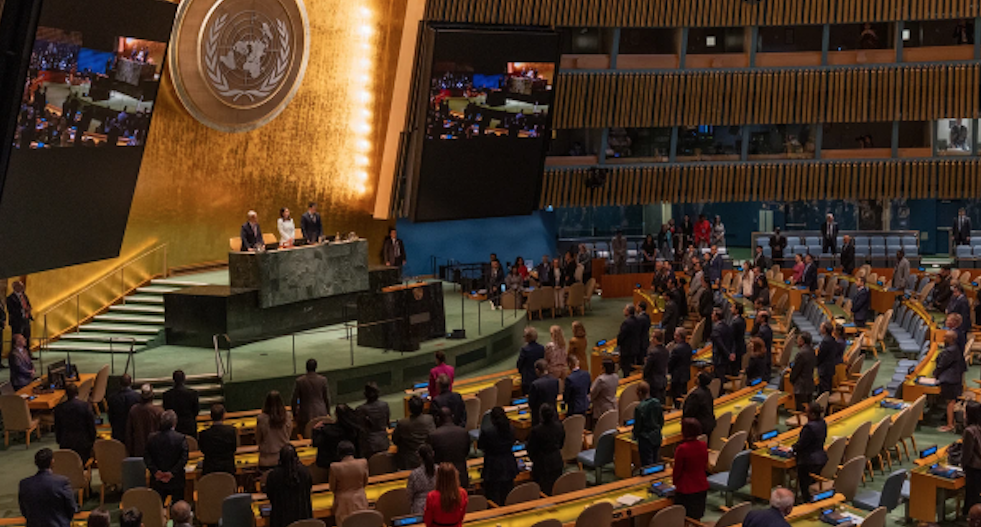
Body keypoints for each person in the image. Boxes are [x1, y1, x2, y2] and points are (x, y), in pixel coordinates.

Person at [18, 448, 77, 527]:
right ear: (52, 462)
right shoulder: (62, 482)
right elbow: (71, 508)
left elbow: (24, 510)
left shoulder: (24, 484)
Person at [478, 407, 519, 506]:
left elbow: (480, 446)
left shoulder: (488, 432)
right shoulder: (511, 429)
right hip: (509, 464)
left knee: (493, 497)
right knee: (508, 495)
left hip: (493, 466)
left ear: (492, 419)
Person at [145, 410, 189, 503]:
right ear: (174, 423)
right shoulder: (180, 438)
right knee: (178, 509)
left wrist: (156, 472)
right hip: (176, 480)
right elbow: (184, 459)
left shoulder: (151, 438)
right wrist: (172, 473)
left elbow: (147, 458)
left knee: (157, 507)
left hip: (157, 479)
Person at [266, 445, 314, 527]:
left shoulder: (273, 475)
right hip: (303, 517)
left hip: (281, 518)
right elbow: (309, 489)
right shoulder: (305, 472)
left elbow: (270, 494)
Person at [672, 419, 709, 520]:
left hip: (686, 489)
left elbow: (677, 470)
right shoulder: (703, 445)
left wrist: (674, 483)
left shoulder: (682, 449)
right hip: (702, 486)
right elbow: (705, 464)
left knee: (682, 518)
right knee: (697, 517)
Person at [526, 402, 565, 495]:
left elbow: (530, 448)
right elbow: (561, 444)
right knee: (556, 488)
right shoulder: (560, 426)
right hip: (557, 460)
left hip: (542, 463)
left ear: (541, 416)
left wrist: (533, 458)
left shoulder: (536, 431)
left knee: (543, 489)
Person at [793, 403, 828, 502]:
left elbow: (801, 445)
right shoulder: (823, 422)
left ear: (812, 414)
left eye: (807, 412)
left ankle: (806, 501)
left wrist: (792, 448)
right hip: (821, 458)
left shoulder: (809, 428)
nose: (805, 414)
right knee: (812, 483)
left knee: (805, 484)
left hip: (808, 461)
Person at [328, 440, 369, 525]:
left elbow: (332, 487)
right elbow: (365, 482)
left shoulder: (334, 467)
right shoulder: (363, 462)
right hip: (361, 498)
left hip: (343, 502)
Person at [312, 404, 363, 469]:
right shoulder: (354, 430)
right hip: (353, 464)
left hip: (329, 465)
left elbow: (315, 443)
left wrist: (315, 430)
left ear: (336, 415)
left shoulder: (327, 430)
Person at [54, 383, 96, 461]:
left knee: (69, 465)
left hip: (66, 443)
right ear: (77, 392)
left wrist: (59, 440)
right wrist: (92, 439)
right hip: (83, 443)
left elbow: (57, 427)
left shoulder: (59, 408)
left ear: (66, 394)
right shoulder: (85, 406)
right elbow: (91, 425)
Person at [430, 407, 470, 488]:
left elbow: (432, 458)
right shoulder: (463, 432)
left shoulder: (434, 435)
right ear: (452, 417)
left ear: (438, 419)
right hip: (461, 475)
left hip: (443, 478)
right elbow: (466, 452)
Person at [291, 359, 331, 439]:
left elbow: (294, 399)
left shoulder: (300, 381)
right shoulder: (323, 380)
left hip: (305, 414)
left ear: (306, 367)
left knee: (306, 435)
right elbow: (326, 398)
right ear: (316, 367)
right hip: (321, 412)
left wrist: (294, 413)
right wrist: (328, 412)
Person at [937, 330, 968, 432]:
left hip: (950, 379)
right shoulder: (956, 348)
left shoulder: (950, 351)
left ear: (951, 339)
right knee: (951, 401)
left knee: (950, 402)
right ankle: (951, 423)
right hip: (955, 378)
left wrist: (935, 375)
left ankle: (950, 425)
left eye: (945, 337)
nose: (944, 338)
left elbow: (941, 365)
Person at [393, 395, 436, 470]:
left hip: (410, 461)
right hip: (428, 459)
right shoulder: (429, 419)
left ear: (409, 409)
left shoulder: (403, 423)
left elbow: (395, 440)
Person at [257, 391, 293, 470]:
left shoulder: (261, 419)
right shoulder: (288, 416)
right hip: (285, 460)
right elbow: (289, 434)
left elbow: (258, 439)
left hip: (266, 460)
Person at [198, 404, 237, 475]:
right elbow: (233, 448)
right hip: (228, 470)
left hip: (210, 470)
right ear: (223, 416)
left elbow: (203, 450)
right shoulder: (231, 431)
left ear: (210, 416)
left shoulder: (203, 434)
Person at [126, 384, 163, 457]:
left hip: (138, 449)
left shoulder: (134, 410)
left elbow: (128, 432)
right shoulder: (158, 411)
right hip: (155, 450)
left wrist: (130, 450)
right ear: (152, 396)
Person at [356, 382, 391, 459]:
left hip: (369, 445)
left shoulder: (360, 409)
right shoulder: (385, 405)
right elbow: (387, 422)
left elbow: (359, 428)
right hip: (384, 442)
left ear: (365, 394)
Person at [633, 382, 663, 466]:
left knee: (647, 465)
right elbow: (661, 420)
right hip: (656, 436)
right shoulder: (657, 402)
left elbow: (638, 426)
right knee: (655, 461)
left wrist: (634, 436)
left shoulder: (639, 408)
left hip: (645, 439)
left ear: (639, 393)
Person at [162, 370, 199, 438]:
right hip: (189, 426)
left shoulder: (166, 395)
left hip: (174, 428)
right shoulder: (193, 394)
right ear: (184, 379)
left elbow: (166, 410)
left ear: (173, 380)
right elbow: (196, 411)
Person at [107, 374, 141, 443]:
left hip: (118, 431)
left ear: (119, 383)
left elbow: (110, 416)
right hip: (133, 431)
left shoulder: (112, 398)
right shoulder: (138, 397)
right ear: (130, 382)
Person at [961, 401, 981, 515]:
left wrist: (962, 466)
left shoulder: (969, 431)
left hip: (974, 469)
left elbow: (967, 453)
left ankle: (971, 517)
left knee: (972, 496)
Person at [789, 332, 817, 411]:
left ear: (802, 341)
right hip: (810, 384)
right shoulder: (812, 351)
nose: (797, 341)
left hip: (801, 387)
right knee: (808, 409)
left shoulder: (801, 354)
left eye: (798, 339)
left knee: (800, 410)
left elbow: (796, 370)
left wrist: (791, 380)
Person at [683, 373, 716, 437]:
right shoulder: (708, 391)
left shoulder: (695, 395)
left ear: (699, 380)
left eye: (696, 376)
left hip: (699, 426)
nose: (694, 378)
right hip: (709, 423)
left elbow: (689, 412)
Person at [407, 445, 437, 513]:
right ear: (433, 454)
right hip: (438, 504)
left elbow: (409, 495)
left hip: (420, 507)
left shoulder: (414, 474)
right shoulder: (439, 470)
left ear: (419, 457)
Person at [528, 359, 559, 426]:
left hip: (539, 419)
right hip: (553, 416)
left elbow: (531, 403)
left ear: (537, 370)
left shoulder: (535, 385)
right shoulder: (555, 381)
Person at [517, 327, 546, 394]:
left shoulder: (524, 350)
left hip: (528, 379)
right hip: (540, 377)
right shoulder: (541, 348)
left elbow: (519, 364)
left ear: (527, 338)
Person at [643, 329, 669, 404]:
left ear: (655, 339)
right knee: (661, 402)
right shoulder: (666, 350)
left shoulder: (653, 352)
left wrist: (644, 377)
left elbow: (647, 367)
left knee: (654, 403)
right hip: (663, 380)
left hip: (653, 382)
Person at [617, 304, 642, 376]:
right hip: (635, 347)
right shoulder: (638, 320)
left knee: (625, 368)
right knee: (631, 366)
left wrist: (618, 344)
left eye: (624, 309)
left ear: (628, 311)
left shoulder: (626, 323)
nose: (623, 311)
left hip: (627, 350)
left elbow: (622, 336)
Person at [710, 308, 734, 380]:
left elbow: (720, 345)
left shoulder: (716, 329)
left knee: (719, 378)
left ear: (717, 317)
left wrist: (728, 354)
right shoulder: (727, 326)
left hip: (719, 358)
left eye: (713, 314)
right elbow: (732, 341)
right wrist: (731, 353)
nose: (711, 316)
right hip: (726, 357)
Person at [816, 322, 837, 397]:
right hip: (830, 367)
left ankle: (824, 405)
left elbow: (821, 356)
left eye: (821, 327)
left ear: (825, 329)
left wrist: (815, 363)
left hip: (824, 369)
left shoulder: (825, 341)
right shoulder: (832, 339)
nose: (820, 328)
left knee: (824, 390)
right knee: (828, 387)